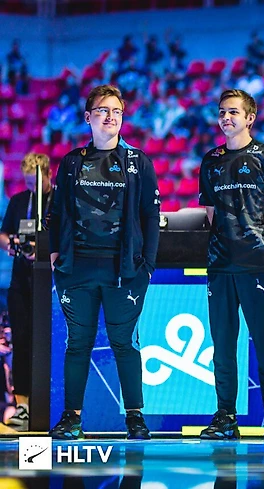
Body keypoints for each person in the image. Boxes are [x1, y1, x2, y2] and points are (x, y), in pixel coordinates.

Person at [48, 84, 161, 440]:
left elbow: (150, 216)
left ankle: (135, 418)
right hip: (76, 269)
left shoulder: (138, 162)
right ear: (88, 117)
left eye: (116, 111)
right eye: (102, 110)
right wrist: (55, 256)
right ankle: (72, 418)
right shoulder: (72, 162)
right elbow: (56, 213)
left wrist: (147, 267)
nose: (110, 117)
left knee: (124, 343)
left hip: (123, 271)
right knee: (77, 344)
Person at [198, 89, 264, 440]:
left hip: (258, 266)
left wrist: (263, 246)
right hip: (220, 266)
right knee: (223, 345)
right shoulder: (211, 160)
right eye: (222, 112)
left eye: (233, 112)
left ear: (250, 118)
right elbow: (210, 213)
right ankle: (226, 417)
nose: (226, 117)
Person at [0, 153, 54, 431]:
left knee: (50, 342)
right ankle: (23, 406)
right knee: (21, 342)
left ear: (48, 175)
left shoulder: (60, 200)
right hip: (21, 282)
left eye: (36, 182)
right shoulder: (19, 201)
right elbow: (4, 233)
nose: (32, 188)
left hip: (52, 283)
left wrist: (43, 251)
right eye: (28, 183)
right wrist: (11, 244)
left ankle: (53, 405)